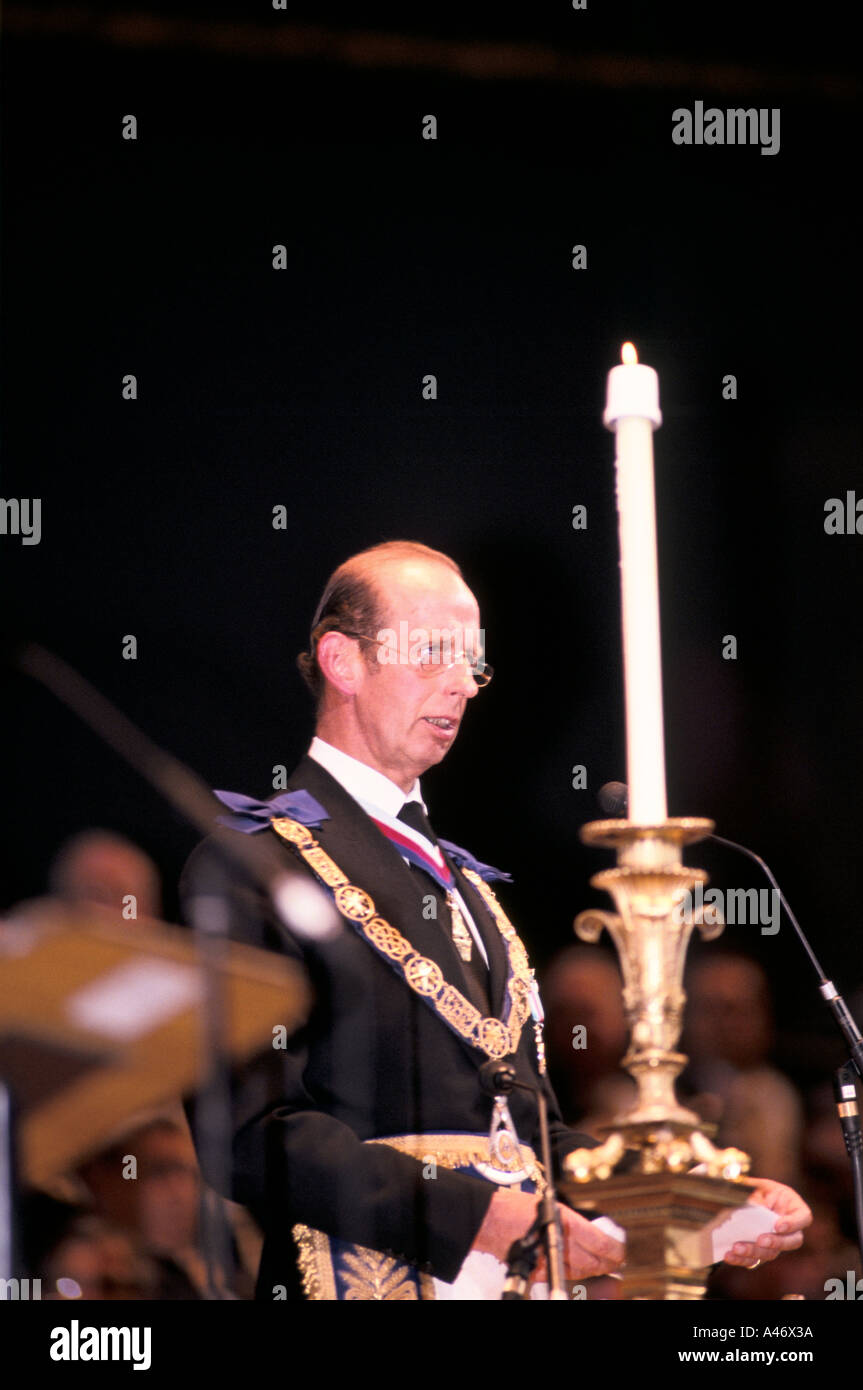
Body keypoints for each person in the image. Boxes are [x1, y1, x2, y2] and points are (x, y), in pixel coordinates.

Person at [181, 540, 810, 1301]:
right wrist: (480, 1216)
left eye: (472, 663)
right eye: (434, 653)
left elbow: (533, 1142)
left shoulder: (470, 889)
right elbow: (249, 1137)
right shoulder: (254, 867)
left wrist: (703, 1207)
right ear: (343, 661)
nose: (462, 686)